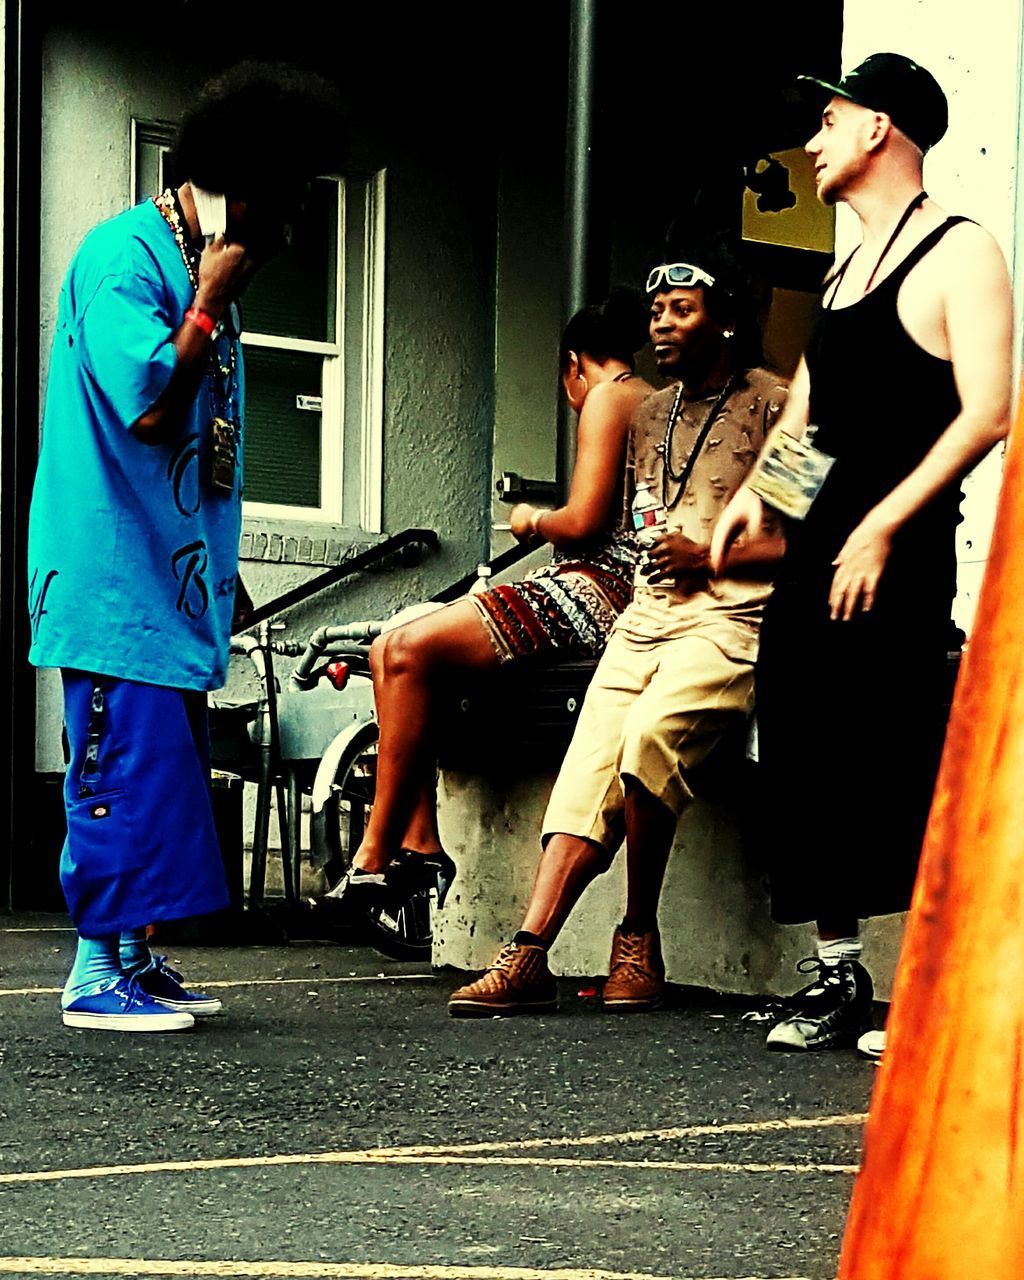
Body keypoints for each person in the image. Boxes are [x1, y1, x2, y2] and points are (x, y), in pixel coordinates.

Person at [26, 62, 346, 1032]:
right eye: (285, 200)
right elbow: (154, 403)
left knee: (161, 768)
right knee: (114, 761)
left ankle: (133, 953)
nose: (290, 227)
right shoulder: (125, 257)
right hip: (112, 573)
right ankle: (92, 970)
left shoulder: (201, 259)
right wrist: (205, 302)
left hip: (172, 579)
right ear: (243, 185)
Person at [711, 53, 1014, 1057]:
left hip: (899, 552)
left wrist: (882, 523)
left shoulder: (962, 252)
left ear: (880, 127)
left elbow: (987, 410)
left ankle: (926, 988)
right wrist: (759, 500)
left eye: (829, 123)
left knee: (895, 757)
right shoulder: (842, 274)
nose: (812, 143)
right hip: (815, 555)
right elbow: (807, 420)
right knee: (804, 751)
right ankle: (839, 975)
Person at [447, 241, 788, 1017]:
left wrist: (710, 552)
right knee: (588, 761)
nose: (660, 326)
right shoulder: (649, 413)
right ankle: (528, 951)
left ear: (725, 320)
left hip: (732, 617)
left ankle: (637, 937)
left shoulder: (777, 403)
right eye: (657, 312)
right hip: (646, 614)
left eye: (681, 310)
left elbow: (817, 531)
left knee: (650, 739)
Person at [312, 290, 654, 920]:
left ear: (574, 365)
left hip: (600, 591)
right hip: (608, 591)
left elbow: (582, 522)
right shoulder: (649, 395)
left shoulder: (611, 396)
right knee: (399, 644)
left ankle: (373, 858)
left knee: (405, 646)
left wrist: (533, 518)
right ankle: (417, 846)